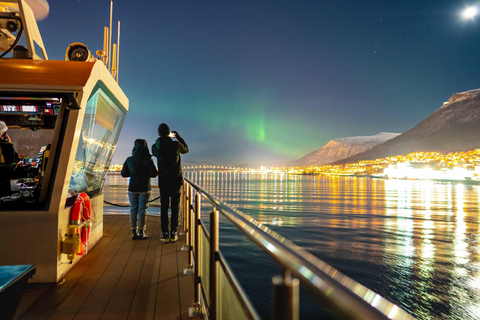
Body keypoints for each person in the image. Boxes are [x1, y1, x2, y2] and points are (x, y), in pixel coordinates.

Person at [152, 123, 188, 243]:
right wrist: (177, 137)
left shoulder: (155, 146)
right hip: (176, 181)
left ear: (159, 133)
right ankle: (173, 232)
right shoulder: (176, 144)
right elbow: (186, 150)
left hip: (164, 182)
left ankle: (164, 233)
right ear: (169, 133)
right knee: (175, 208)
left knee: (164, 207)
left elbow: (155, 150)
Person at [121, 139, 158, 240]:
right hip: (144, 188)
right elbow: (154, 174)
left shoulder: (129, 160)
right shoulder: (148, 160)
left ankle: (133, 232)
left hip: (132, 188)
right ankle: (141, 231)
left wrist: (133, 173)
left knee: (133, 209)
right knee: (142, 210)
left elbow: (124, 174)